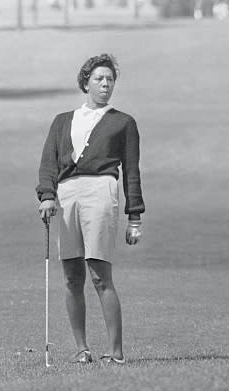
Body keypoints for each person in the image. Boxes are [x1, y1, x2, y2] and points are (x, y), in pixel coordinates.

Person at [36, 53, 145, 365]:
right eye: (99, 79)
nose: (105, 84)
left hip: (101, 191)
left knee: (99, 274)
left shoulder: (123, 123)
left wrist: (134, 216)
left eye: (110, 80)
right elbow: (48, 164)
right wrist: (47, 195)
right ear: (85, 83)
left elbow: (132, 172)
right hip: (67, 194)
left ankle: (116, 352)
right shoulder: (62, 121)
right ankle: (82, 349)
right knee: (72, 276)